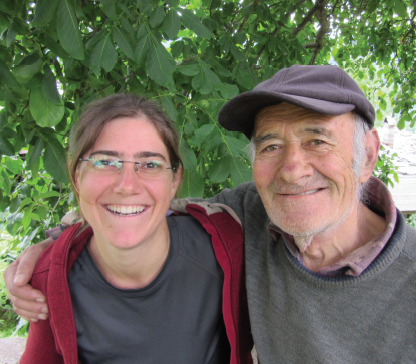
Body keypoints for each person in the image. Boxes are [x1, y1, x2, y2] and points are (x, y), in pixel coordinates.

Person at [6, 66, 416, 363]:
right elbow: (138, 204)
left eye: (317, 140)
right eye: (270, 146)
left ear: (368, 156)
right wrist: (53, 245)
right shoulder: (251, 218)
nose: (293, 169)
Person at [14, 94, 252, 364]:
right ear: (76, 177)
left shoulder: (226, 248)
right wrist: (52, 251)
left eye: (150, 164)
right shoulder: (52, 276)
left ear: (175, 180)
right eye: (105, 162)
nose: (127, 185)